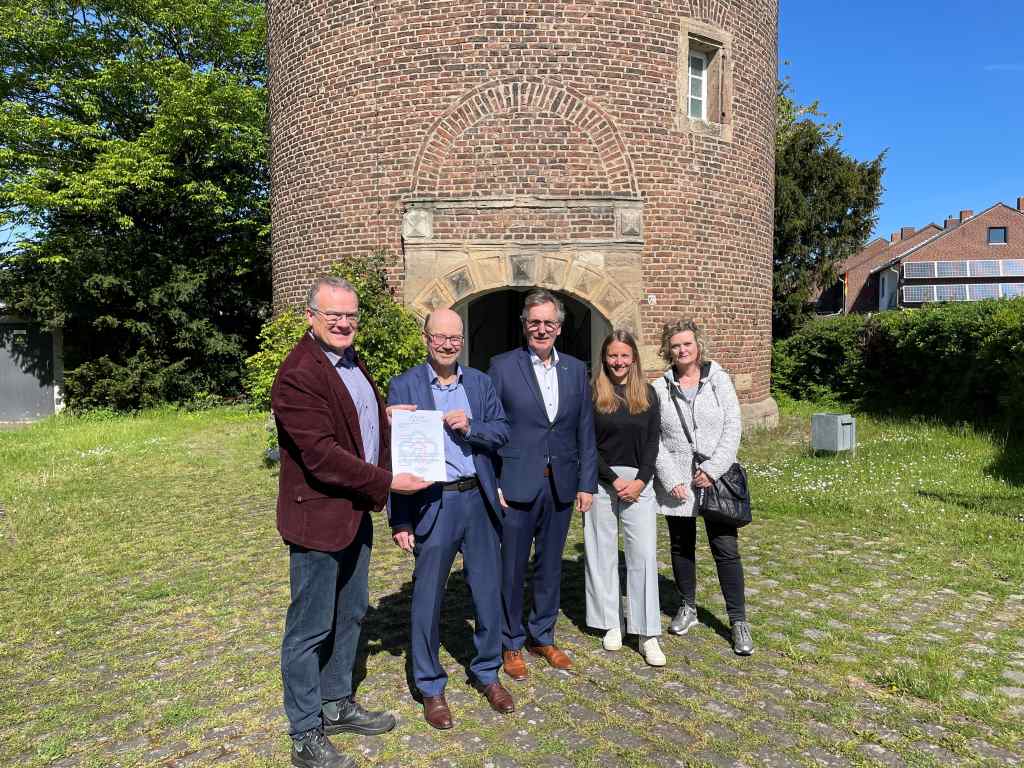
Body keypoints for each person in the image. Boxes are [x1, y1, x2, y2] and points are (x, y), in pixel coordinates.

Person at [272, 276, 429, 768]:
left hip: (352, 515)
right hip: (318, 519)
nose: (343, 323)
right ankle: (304, 733)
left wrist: (389, 417)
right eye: (333, 315)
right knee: (309, 628)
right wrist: (387, 483)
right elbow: (321, 455)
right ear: (310, 318)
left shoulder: (350, 361)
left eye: (351, 316)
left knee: (351, 613)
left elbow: (354, 421)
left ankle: (336, 702)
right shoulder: (299, 373)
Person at [387, 308, 514, 730]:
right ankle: (430, 685)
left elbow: (502, 432)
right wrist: (399, 519)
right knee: (427, 599)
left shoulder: (478, 384)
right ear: (426, 338)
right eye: (439, 337)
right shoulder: (404, 385)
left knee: (487, 594)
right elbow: (395, 455)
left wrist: (473, 425)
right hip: (431, 503)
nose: (447, 344)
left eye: (454, 338)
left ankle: (487, 672)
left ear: (462, 341)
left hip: (476, 499)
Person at [487, 289, 598, 680]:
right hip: (516, 485)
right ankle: (511, 641)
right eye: (534, 321)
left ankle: (542, 635)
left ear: (559, 327)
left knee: (550, 568)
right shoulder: (501, 367)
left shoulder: (574, 369)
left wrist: (587, 483)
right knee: (513, 568)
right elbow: (493, 427)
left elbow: (585, 429)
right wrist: (494, 480)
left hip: (561, 486)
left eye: (549, 322)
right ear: (524, 325)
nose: (541, 329)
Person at [653, 319, 753, 656]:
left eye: (687, 344)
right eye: (675, 345)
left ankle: (738, 621)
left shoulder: (718, 380)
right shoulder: (659, 388)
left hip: (716, 480)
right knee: (681, 546)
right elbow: (654, 440)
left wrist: (711, 469)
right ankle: (688, 606)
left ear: (699, 346)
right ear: (668, 349)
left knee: (725, 548)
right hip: (678, 483)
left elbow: (733, 427)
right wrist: (671, 479)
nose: (681, 350)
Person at [585, 330, 665, 666]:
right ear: (604, 358)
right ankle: (611, 623)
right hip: (604, 483)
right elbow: (586, 443)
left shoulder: (647, 393)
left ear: (633, 358)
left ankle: (647, 633)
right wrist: (613, 479)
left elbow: (652, 442)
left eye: (624, 356)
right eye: (612, 356)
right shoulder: (593, 393)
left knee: (643, 555)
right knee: (601, 552)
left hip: (639, 485)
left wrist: (642, 480)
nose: (618, 362)